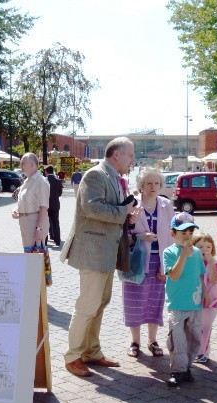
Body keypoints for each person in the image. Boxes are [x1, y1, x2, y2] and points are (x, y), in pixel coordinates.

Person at [60, 137, 141, 377]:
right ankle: (73, 355)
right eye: (130, 155)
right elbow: (92, 208)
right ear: (117, 155)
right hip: (93, 253)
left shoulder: (114, 178)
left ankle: (91, 351)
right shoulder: (95, 175)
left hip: (106, 252)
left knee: (99, 303)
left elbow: (111, 211)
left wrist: (127, 217)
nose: (132, 160)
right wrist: (123, 212)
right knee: (87, 305)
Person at [122, 168, 174, 359]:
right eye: (149, 184)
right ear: (141, 186)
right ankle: (135, 342)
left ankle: (152, 340)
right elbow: (122, 234)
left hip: (159, 261)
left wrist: (166, 266)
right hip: (137, 261)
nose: (153, 187)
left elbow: (172, 235)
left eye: (157, 183)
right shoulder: (133, 205)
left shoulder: (166, 205)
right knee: (134, 302)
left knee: (155, 302)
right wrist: (140, 235)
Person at [163, 212, 205, 387]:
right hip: (177, 303)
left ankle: (187, 368)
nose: (187, 237)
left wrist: (206, 293)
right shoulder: (170, 252)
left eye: (190, 233)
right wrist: (182, 256)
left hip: (195, 303)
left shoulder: (196, 253)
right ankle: (178, 370)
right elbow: (174, 275)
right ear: (173, 234)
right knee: (178, 338)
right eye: (183, 234)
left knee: (194, 338)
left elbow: (201, 275)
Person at [191, 233, 217, 364]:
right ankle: (194, 350)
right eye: (200, 246)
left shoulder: (215, 263)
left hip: (211, 301)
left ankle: (203, 352)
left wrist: (210, 263)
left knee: (206, 326)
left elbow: (214, 279)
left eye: (208, 246)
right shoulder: (191, 262)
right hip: (195, 300)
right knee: (194, 326)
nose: (205, 250)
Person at [12, 153, 50, 249]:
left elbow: (43, 207)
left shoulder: (41, 181)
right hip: (25, 223)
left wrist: (39, 228)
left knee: (36, 258)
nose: (21, 166)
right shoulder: (27, 181)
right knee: (29, 257)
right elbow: (25, 201)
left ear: (32, 164)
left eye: (23, 163)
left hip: (34, 223)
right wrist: (16, 209)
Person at [44, 165, 63, 246]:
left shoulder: (44, 180)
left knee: (45, 223)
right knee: (56, 222)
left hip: (45, 205)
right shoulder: (58, 181)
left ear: (46, 172)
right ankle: (57, 240)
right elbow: (60, 193)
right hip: (55, 204)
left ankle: (45, 241)